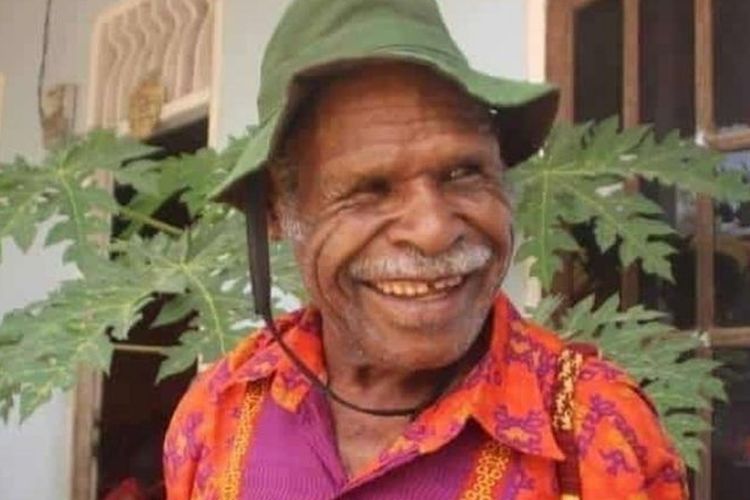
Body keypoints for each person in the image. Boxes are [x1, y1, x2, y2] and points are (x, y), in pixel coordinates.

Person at [163, 0, 686, 498]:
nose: (434, 231)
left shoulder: (596, 428)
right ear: (278, 212)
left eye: (464, 173)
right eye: (369, 189)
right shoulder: (217, 412)